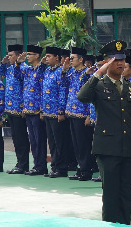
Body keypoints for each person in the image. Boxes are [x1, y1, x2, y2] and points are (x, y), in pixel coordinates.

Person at [78, 40, 131, 225]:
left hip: (130, 148)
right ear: (106, 62)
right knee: (110, 195)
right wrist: (98, 72)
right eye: (115, 59)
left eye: (122, 59)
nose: (120, 63)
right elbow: (82, 97)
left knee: (127, 194)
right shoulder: (99, 85)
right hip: (108, 149)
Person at [41, 46, 74, 178]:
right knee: (52, 142)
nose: (47, 59)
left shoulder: (61, 72)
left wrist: (61, 111)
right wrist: (42, 110)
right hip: (48, 111)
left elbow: (62, 92)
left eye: (49, 56)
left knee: (60, 141)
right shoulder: (48, 71)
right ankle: (54, 166)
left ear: (57, 58)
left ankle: (61, 168)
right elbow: (43, 91)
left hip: (56, 112)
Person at [65, 48, 97, 181]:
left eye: (73, 58)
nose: (70, 60)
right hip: (71, 112)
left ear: (81, 59)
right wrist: (64, 69)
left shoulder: (88, 72)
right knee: (76, 144)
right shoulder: (71, 72)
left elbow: (91, 93)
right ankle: (81, 167)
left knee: (84, 144)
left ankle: (86, 170)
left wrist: (89, 114)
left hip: (82, 113)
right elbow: (63, 84)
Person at [1, 45, 30, 173]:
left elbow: (22, 80)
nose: (9, 57)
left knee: (21, 138)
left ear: (18, 56)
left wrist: (18, 64)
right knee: (15, 138)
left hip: (19, 108)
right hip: (10, 108)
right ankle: (19, 163)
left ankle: (23, 164)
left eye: (11, 55)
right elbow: (2, 74)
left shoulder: (24, 68)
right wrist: (3, 63)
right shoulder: (10, 69)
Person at [20, 44, 47, 176]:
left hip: (37, 110)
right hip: (28, 109)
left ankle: (41, 166)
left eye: (30, 54)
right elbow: (16, 75)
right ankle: (36, 164)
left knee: (39, 139)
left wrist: (42, 109)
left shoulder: (41, 70)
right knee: (33, 140)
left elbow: (43, 90)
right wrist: (18, 63)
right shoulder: (28, 70)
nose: (27, 56)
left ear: (37, 56)